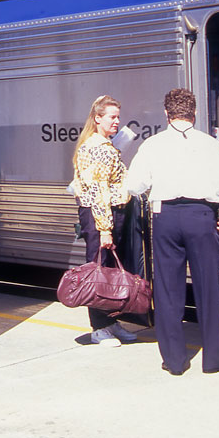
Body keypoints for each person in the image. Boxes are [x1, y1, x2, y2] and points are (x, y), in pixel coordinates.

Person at [126, 88, 219, 374]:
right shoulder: (210, 144)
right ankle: (214, 359)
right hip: (201, 216)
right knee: (208, 287)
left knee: (167, 289)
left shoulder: (152, 144)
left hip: (165, 217)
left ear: (166, 114)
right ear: (194, 114)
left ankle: (174, 361)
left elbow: (134, 185)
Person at [69, 95, 136, 347]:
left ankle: (110, 322)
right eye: (112, 117)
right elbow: (98, 190)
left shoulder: (104, 144)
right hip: (101, 215)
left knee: (110, 271)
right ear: (97, 118)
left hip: (110, 212)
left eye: (118, 116)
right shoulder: (96, 147)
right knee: (99, 269)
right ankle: (98, 327)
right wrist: (105, 229)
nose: (117, 121)